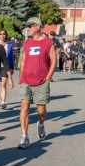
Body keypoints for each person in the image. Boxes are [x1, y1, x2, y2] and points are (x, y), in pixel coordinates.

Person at [17, 17, 56, 149]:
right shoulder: (26, 43)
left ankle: (40, 124)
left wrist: (48, 77)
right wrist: (20, 78)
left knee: (41, 111)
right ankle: (25, 137)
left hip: (41, 81)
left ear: (38, 27)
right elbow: (23, 60)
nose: (27, 28)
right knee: (24, 107)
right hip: (26, 79)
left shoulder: (48, 43)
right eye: (27, 26)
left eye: (30, 26)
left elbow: (54, 61)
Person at [0, 28, 14, 109]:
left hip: (5, 67)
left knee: (3, 84)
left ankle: (3, 101)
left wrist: (12, 67)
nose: (2, 35)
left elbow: (11, 57)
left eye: (4, 34)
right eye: (0, 34)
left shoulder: (9, 45)